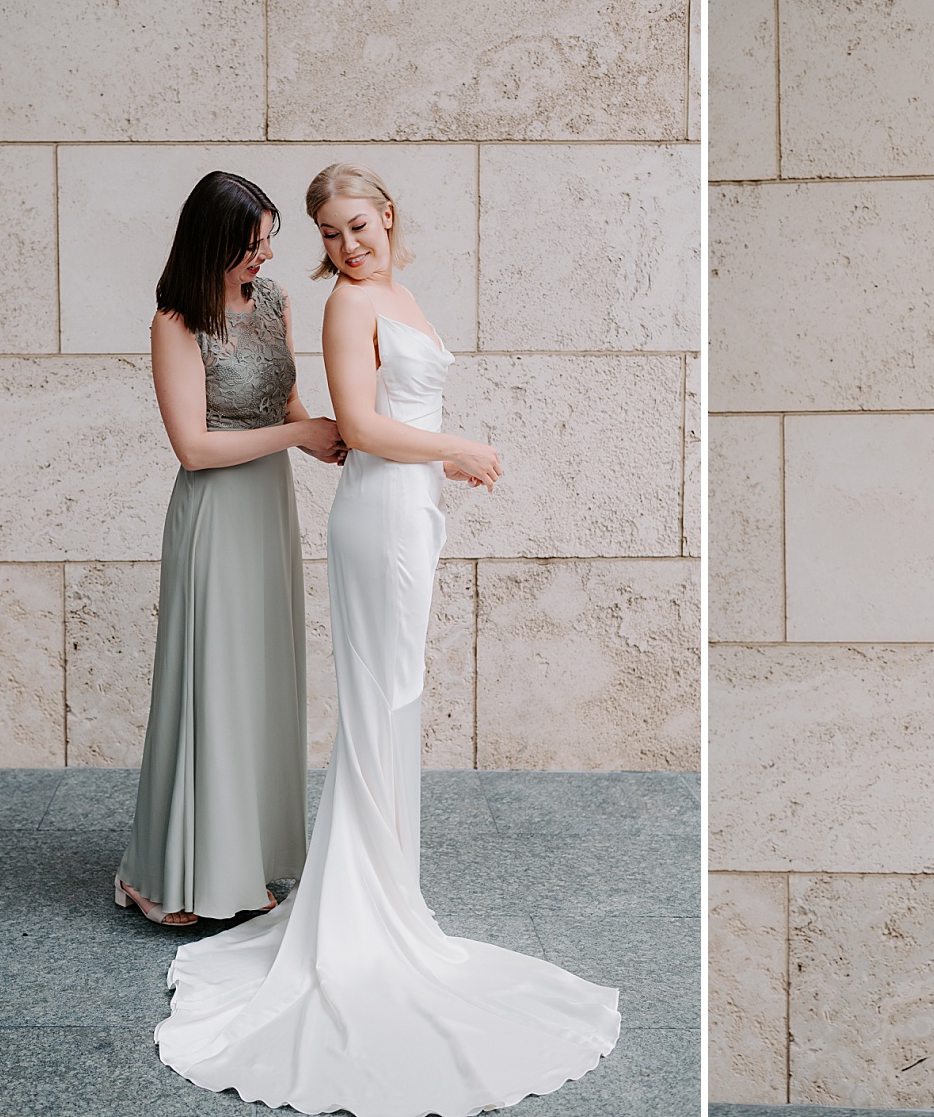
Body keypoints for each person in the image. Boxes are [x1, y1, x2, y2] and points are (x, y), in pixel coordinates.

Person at [153, 162, 619, 1117]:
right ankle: (357, 912)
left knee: (396, 698)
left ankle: (384, 893)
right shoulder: (342, 308)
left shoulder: (388, 291)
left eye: (352, 227)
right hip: (379, 513)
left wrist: (420, 460)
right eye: (328, 233)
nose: (342, 246)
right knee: (376, 700)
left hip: (411, 513)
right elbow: (359, 423)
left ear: (389, 216)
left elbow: (334, 416)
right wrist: (456, 447)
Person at [119, 170, 344, 927]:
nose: (268, 256)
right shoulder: (175, 322)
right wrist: (298, 435)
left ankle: (248, 857)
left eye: (270, 238)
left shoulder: (275, 304)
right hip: (216, 514)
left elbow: (284, 403)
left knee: (258, 682)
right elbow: (193, 446)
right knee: (209, 685)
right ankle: (167, 873)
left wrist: (328, 440)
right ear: (212, 243)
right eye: (252, 244)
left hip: (267, 508)